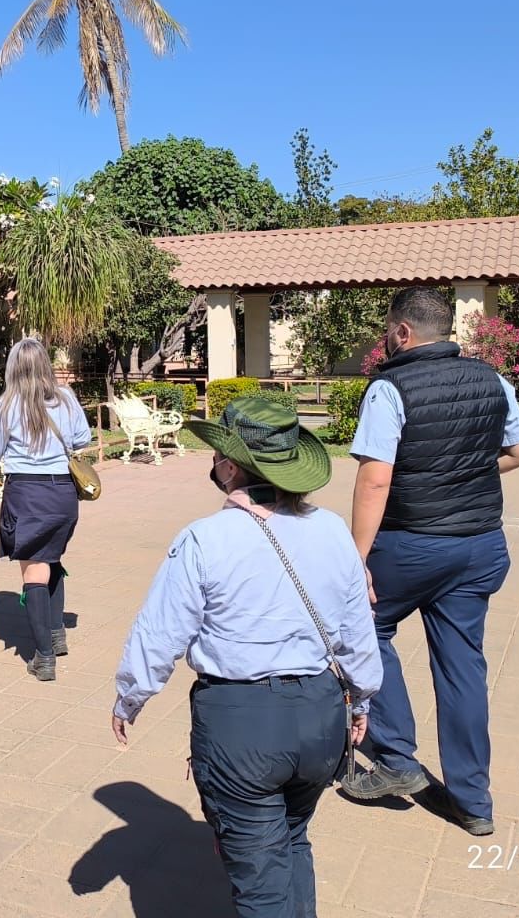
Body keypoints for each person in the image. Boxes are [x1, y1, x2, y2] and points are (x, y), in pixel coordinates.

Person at [112, 393, 380, 918]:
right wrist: (361, 702)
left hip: (242, 728)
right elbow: (357, 633)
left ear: (231, 467)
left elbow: (160, 633)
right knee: (293, 838)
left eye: (216, 457)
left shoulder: (203, 540)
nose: (212, 465)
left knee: (259, 882)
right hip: (322, 715)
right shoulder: (331, 531)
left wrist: (130, 697)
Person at [340, 287, 519, 837]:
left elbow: (376, 476)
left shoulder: (389, 387)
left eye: (387, 329)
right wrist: (468, 473)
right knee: (463, 667)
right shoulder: (491, 379)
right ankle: (474, 801)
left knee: (364, 625)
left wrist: (357, 559)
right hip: (479, 546)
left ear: (402, 333)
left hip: (411, 545)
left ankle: (397, 759)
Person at [0, 337, 92, 681]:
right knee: (50, 558)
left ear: (12, 368)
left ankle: (44, 657)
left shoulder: (7, 405)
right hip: (63, 495)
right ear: (45, 365)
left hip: (26, 493)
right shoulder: (66, 398)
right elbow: (83, 438)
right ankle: (56, 634)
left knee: (34, 570)